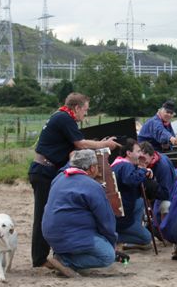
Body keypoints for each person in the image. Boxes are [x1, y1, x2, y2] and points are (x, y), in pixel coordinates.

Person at [28, 92, 120, 269]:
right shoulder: (65, 118)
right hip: (44, 170)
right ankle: (40, 259)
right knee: (42, 213)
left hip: (46, 169)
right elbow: (81, 144)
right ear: (77, 108)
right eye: (85, 110)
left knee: (48, 211)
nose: (86, 114)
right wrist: (104, 144)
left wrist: (98, 143)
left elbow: (77, 146)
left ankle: (56, 253)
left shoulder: (61, 117)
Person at [42, 150, 118, 277]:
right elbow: (106, 220)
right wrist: (112, 241)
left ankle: (63, 255)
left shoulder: (59, 178)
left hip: (50, 234)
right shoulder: (92, 186)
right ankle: (65, 261)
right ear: (92, 168)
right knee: (108, 256)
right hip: (72, 234)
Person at [111, 139, 153, 249]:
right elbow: (130, 180)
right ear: (129, 153)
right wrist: (143, 170)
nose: (140, 154)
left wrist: (140, 170)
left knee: (140, 201)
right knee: (147, 238)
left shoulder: (117, 164)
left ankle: (127, 231)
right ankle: (112, 237)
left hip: (116, 210)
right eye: (138, 151)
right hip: (122, 216)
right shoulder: (126, 166)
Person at [139, 141, 176, 226]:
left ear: (151, 155)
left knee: (161, 212)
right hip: (158, 195)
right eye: (140, 158)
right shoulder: (150, 162)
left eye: (144, 158)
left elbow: (166, 194)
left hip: (169, 197)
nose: (141, 161)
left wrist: (148, 182)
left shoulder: (162, 166)